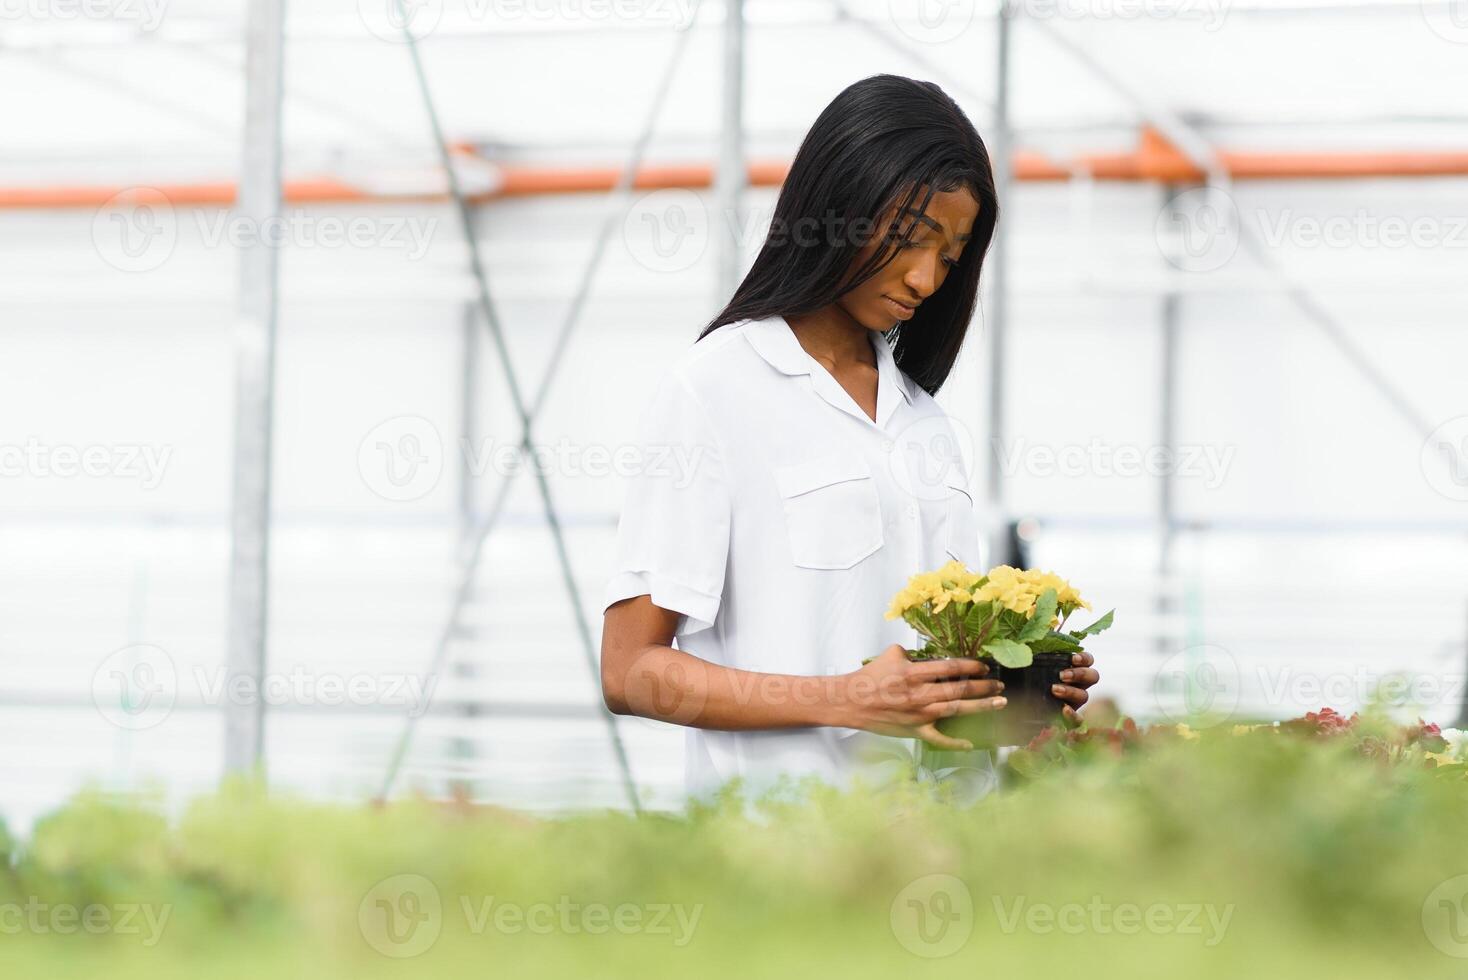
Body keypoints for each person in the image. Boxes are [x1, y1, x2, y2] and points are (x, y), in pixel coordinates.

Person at [599, 74, 1098, 803]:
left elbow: (928, 669)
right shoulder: (715, 390)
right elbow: (630, 670)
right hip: (792, 857)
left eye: (952, 256)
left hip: (947, 853)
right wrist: (846, 699)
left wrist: (1020, 682)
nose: (928, 278)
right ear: (839, 205)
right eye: (910, 237)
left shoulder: (923, 421)